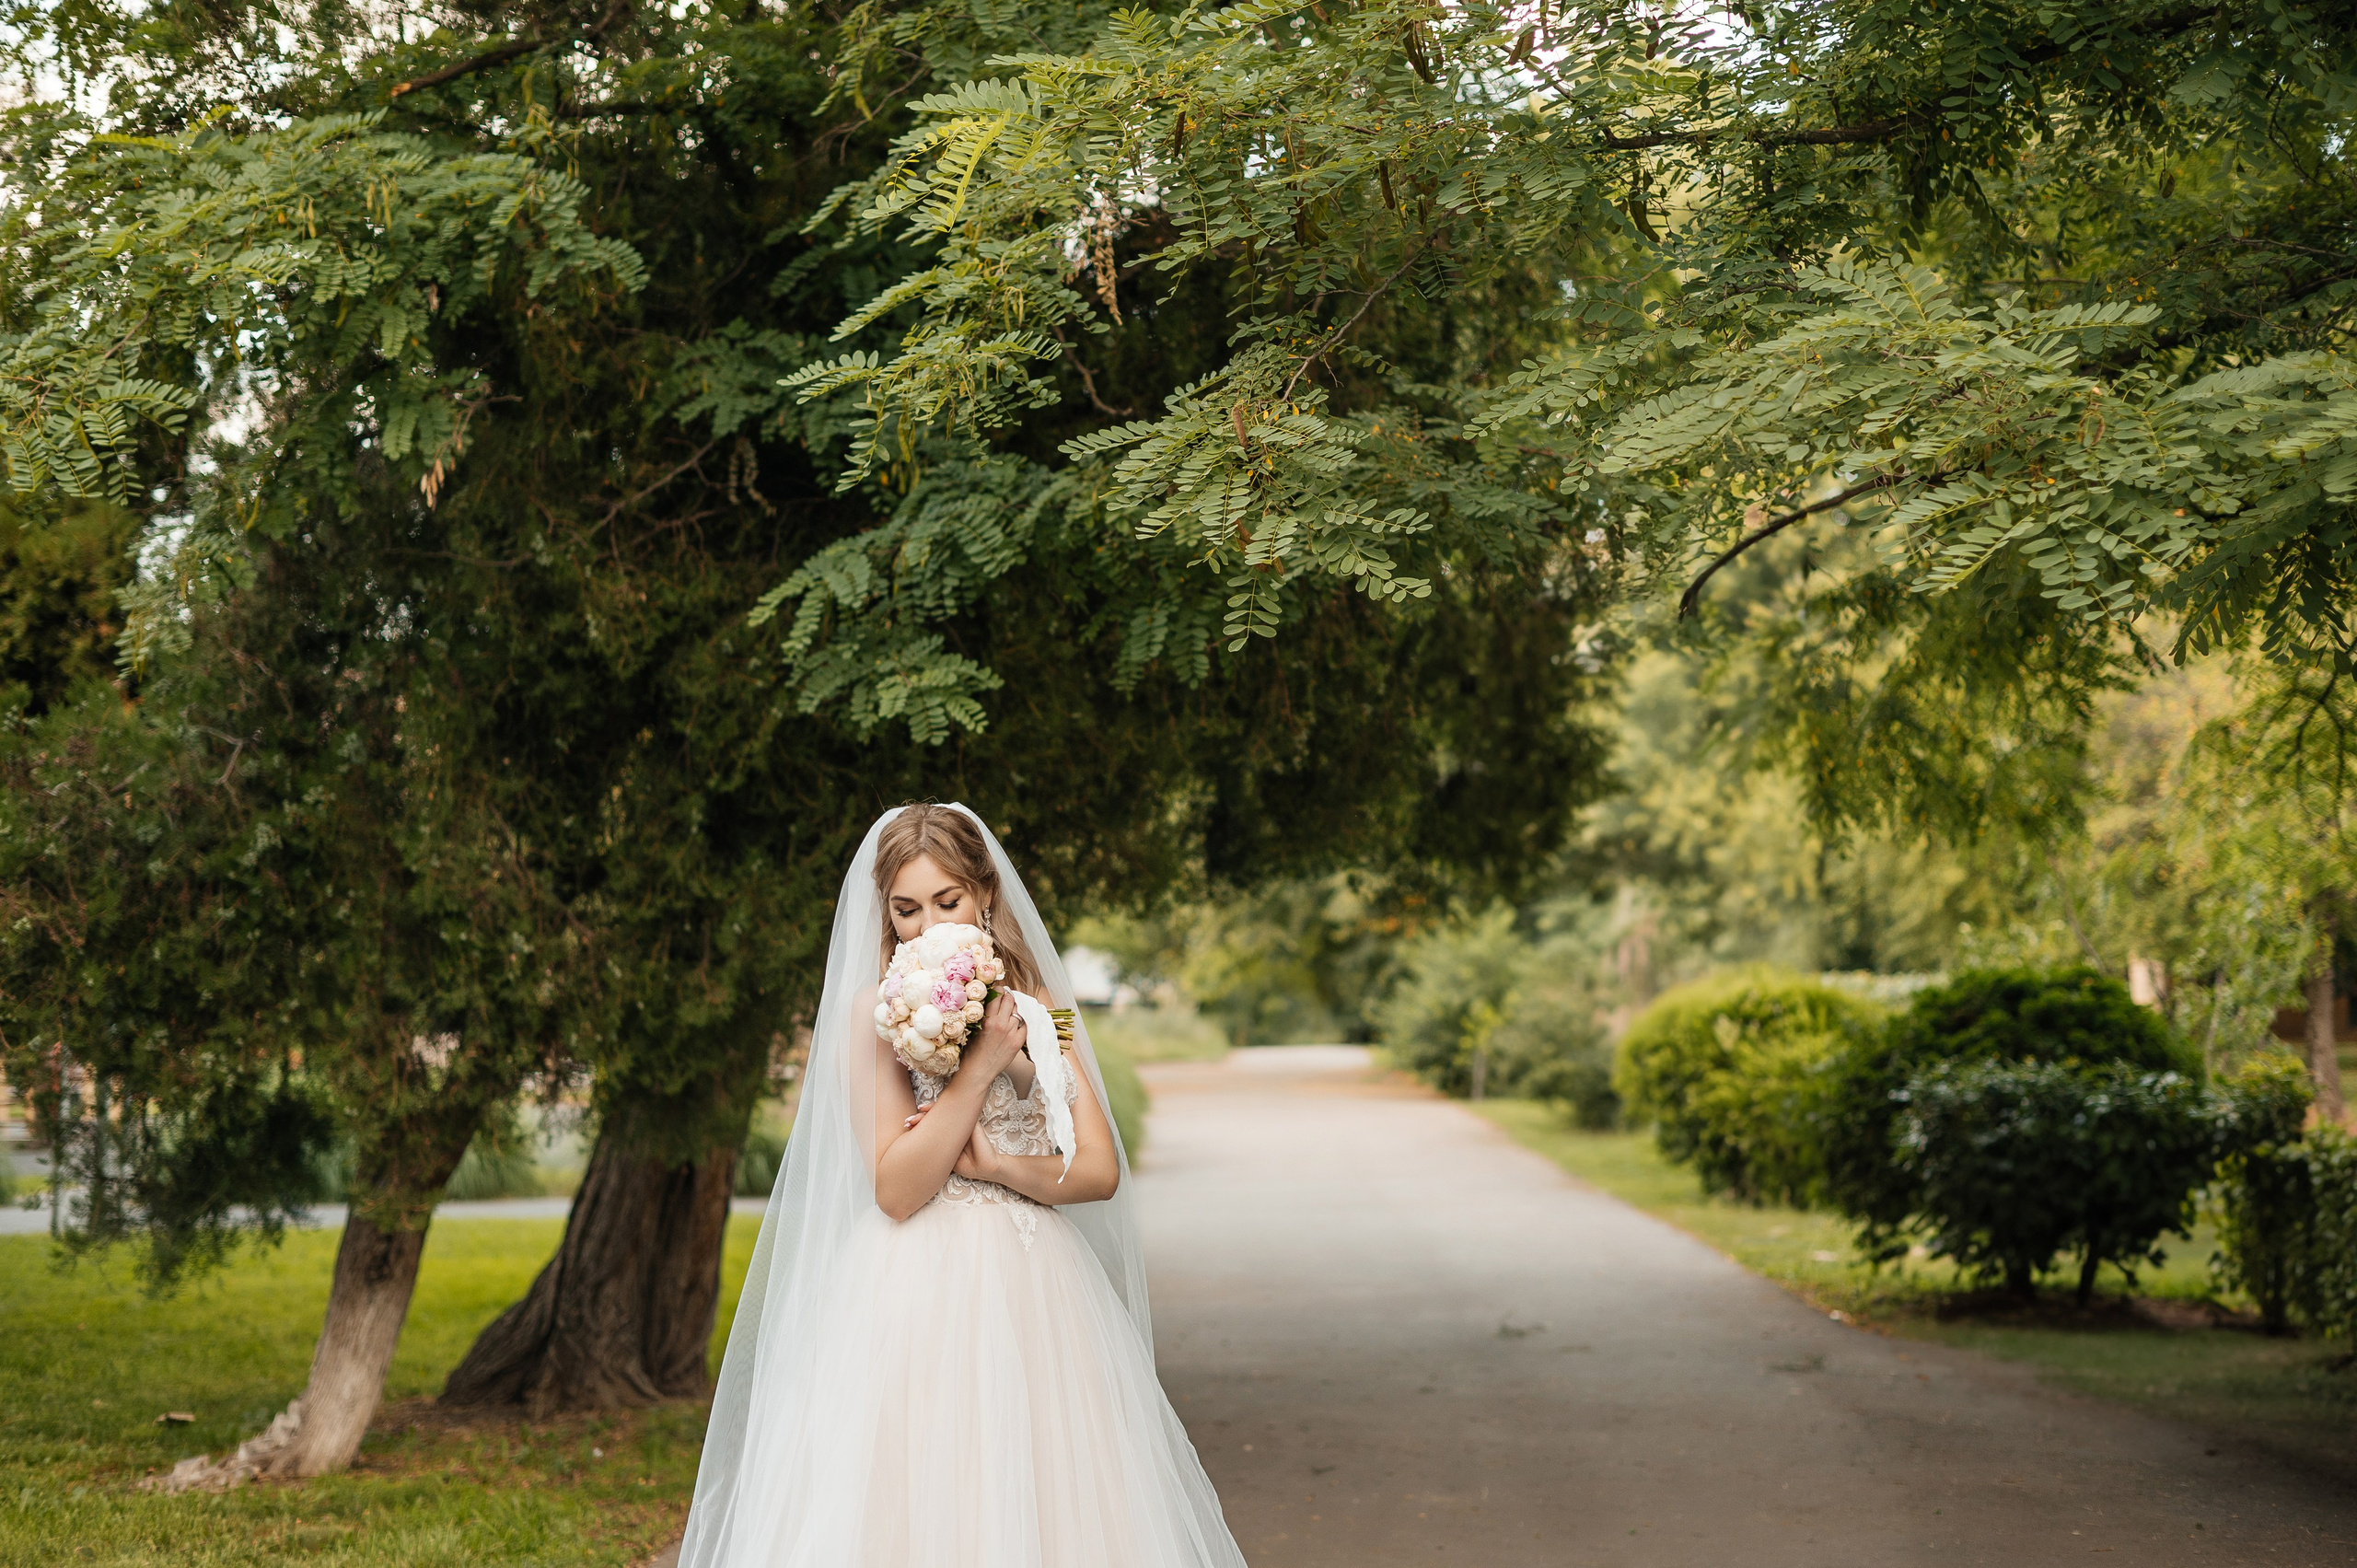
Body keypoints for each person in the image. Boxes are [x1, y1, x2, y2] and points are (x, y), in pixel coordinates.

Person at [679, 802, 1249, 1567]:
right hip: (912, 1286)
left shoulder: (1046, 1007)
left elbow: (1098, 1168)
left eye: (946, 901)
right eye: (906, 909)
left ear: (983, 891)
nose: (926, 925)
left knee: (1051, 1496)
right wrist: (978, 1069)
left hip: (1036, 1284)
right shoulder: (873, 1012)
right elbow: (896, 1186)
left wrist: (1001, 1163)